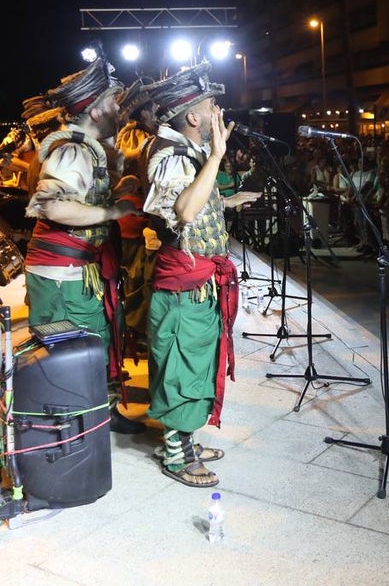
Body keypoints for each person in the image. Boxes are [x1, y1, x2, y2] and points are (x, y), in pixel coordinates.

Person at [143, 62, 261, 488]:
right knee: (181, 364)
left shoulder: (188, 155)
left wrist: (227, 203)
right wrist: (216, 156)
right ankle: (176, 455)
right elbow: (185, 211)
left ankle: (185, 441)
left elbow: (200, 205)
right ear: (193, 116)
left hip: (200, 282)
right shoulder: (171, 157)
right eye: (212, 106)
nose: (218, 112)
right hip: (182, 287)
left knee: (194, 363)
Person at [23, 58, 144, 434]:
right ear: (94, 108)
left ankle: (101, 412)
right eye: (112, 103)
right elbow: (52, 205)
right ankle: (66, 421)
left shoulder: (92, 149)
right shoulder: (71, 151)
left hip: (82, 269)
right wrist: (111, 212)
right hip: (64, 273)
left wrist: (118, 188)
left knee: (96, 337)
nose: (118, 110)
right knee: (70, 346)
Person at [113, 78, 161, 364]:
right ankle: (134, 331)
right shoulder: (132, 135)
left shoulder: (146, 133)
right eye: (153, 108)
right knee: (135, 279)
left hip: (143, 217)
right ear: (143, 112)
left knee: (145, 279)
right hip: (132, 220)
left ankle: (139, 329)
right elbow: (127, 161)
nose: (157, 111)